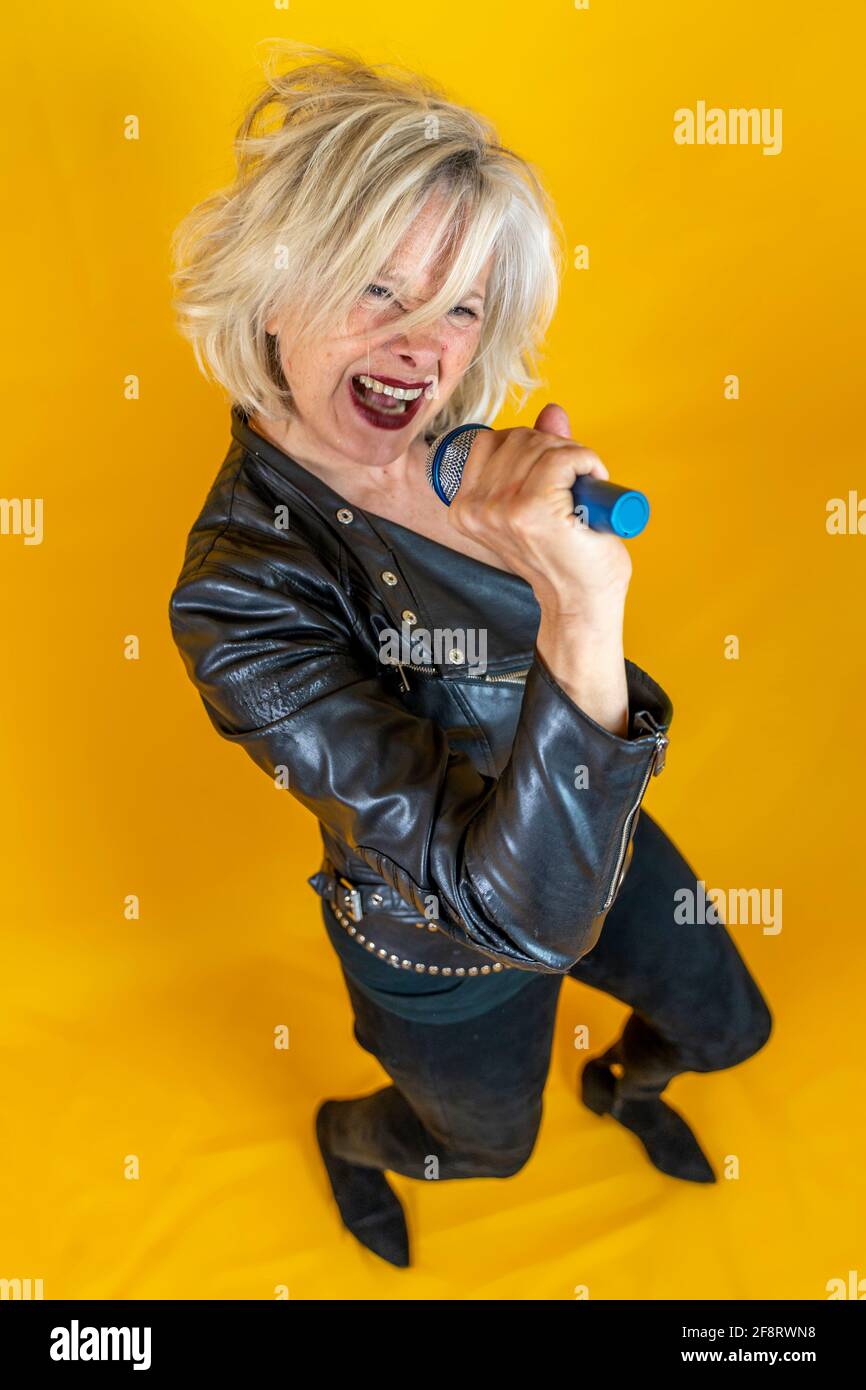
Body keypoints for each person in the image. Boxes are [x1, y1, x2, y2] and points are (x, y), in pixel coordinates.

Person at [167, 44, 772, 1268]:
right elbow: (511, 911)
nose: (421, 348)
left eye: (458, 308)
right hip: (446, 943)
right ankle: (347, 1137)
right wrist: (580, 606)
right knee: (485, 1151)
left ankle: (623, 1087)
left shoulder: (465, 457)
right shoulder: (237, 593)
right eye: (376, 290)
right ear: (272, 289)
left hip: (598, 845)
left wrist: (553, 561)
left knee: (727, 1031)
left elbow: (565, 779)